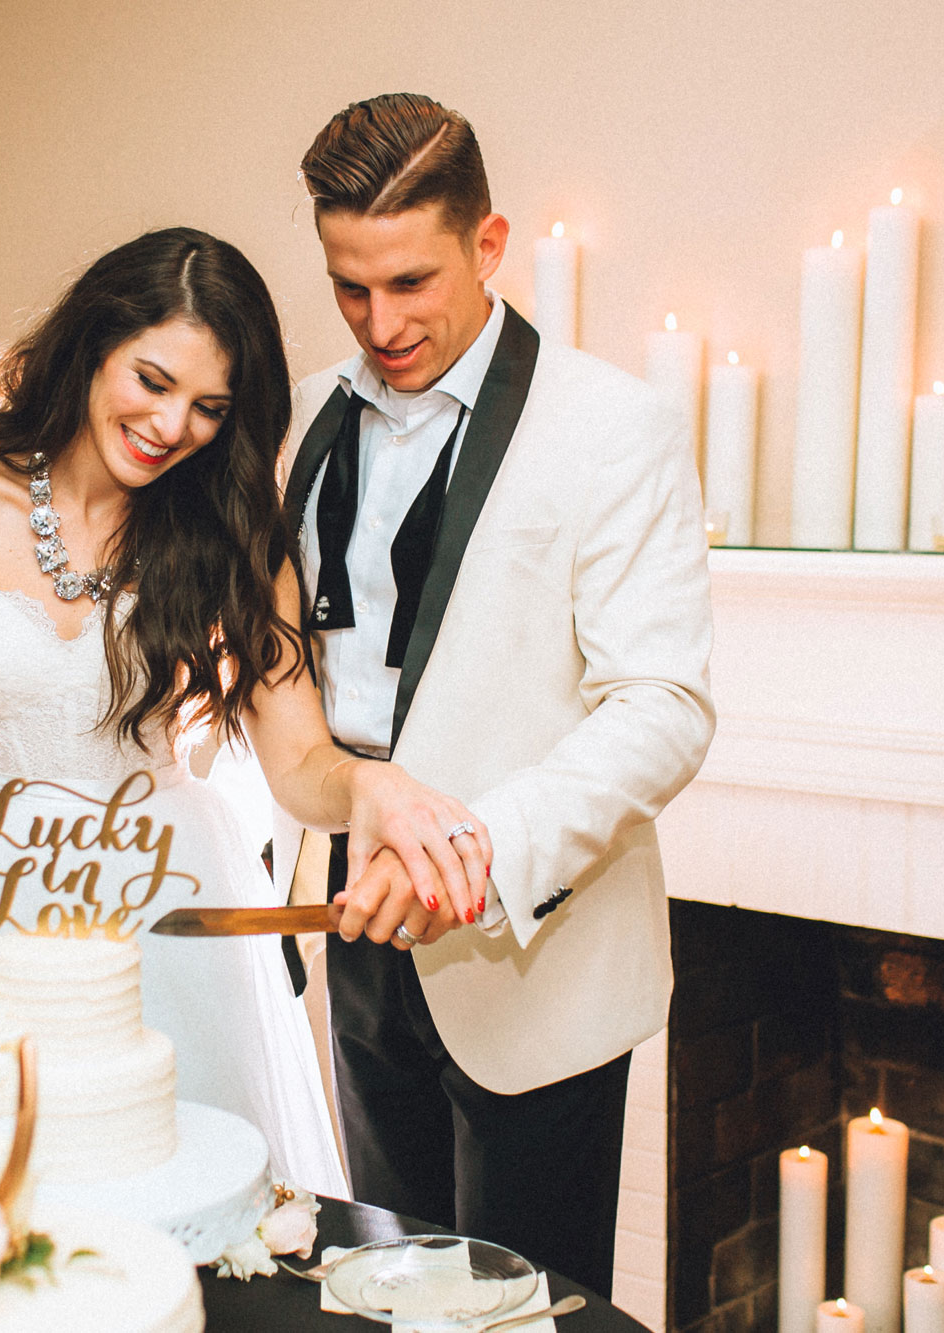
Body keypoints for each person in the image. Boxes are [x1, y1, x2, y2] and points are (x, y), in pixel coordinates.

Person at [0, 227, 492, 1194]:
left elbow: (300, 759)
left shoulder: (229, 537)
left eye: (209, 407)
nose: (171, 423)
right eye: (151, 379)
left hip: (166, 906)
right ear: (94, 343)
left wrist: (375, 788)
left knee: (165, 1213)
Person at [271, 94, 716, 1292]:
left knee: (527, 1305)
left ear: (487, 242)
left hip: (533, 938)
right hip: (355, 922)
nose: (380, 322)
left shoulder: (613, 426)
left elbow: (663, 706)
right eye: (348, 287)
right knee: (390, 1286)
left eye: (411, 281)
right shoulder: (305, 417)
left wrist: (472, 849)